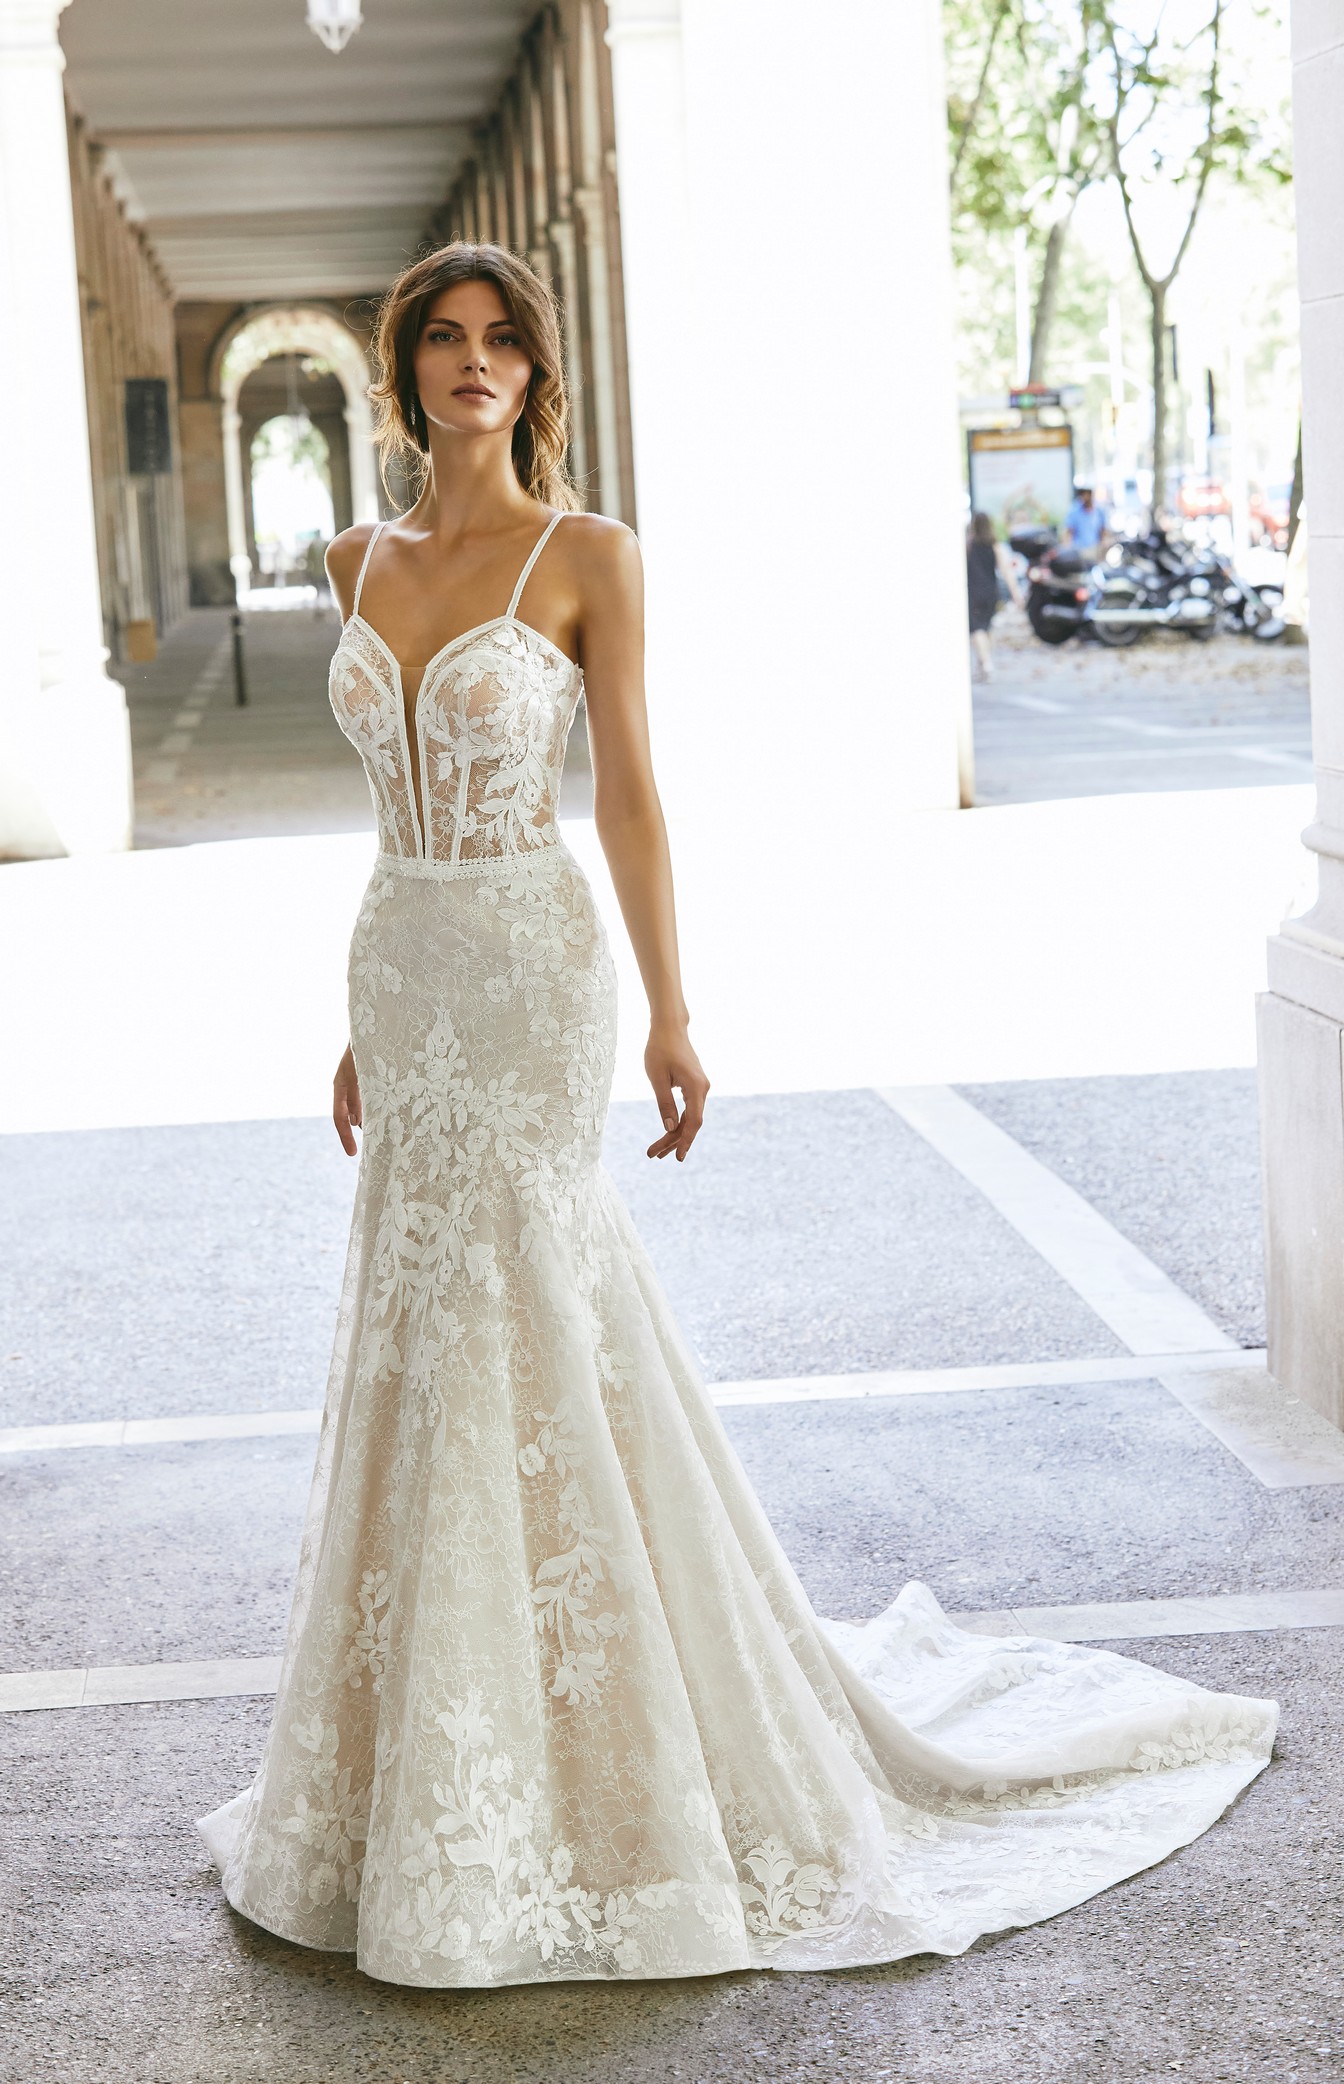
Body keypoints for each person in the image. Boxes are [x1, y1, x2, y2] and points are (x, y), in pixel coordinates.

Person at [195, 242, 1276, 1988]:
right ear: (400, 379)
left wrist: (673, 1007)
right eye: (442, 343)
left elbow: (624, 790)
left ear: (537, 378)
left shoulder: (588, 557)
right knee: (414, 1324)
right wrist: (355, 1024)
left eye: (503, 344)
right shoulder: (350, 559)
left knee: (527, 1307)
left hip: (535, 969)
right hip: (404, 963)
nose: (474, 365)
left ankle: (600, 1767)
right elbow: (388, 815)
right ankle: (425, 1761)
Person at [966, 510, 1023, 682]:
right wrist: (1016, 593)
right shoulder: (995, 545)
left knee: (977, 629)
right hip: (991, 592)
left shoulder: (967, 545)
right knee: (986, 627)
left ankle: (986, 663)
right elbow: (1006, 571)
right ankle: (982, 662)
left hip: (973, 592)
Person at [1063, 481, 1108, 554]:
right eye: (1082, 494)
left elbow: (1103, 530)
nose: (1084, 496)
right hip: (1078, 550)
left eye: (1086, 493)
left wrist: (1103, 545)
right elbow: (1069, 531)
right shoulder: (1074, 511)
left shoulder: (1099, 511)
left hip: (1095, 549)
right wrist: (1067, 547)